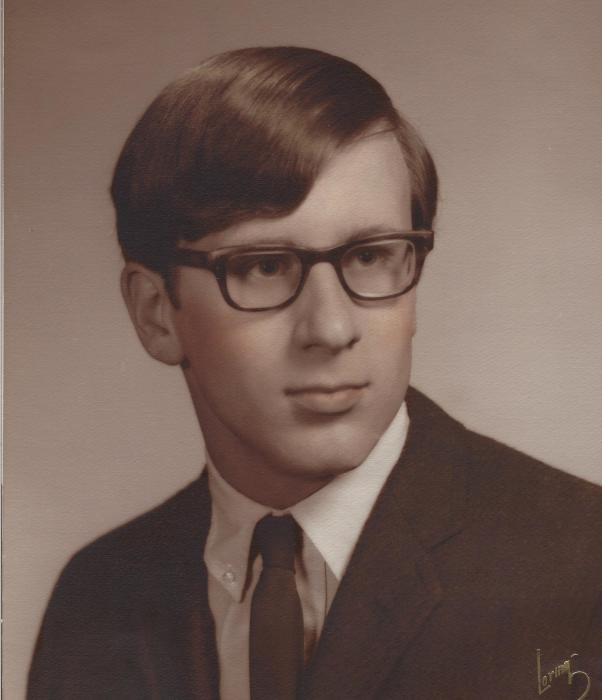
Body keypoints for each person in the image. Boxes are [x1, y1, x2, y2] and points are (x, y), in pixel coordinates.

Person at [28, 46, 601, 700]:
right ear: (157, 314)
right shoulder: (95, 598)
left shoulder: (585, 563)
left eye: (371, 256)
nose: (331, 329)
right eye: (264, 266)